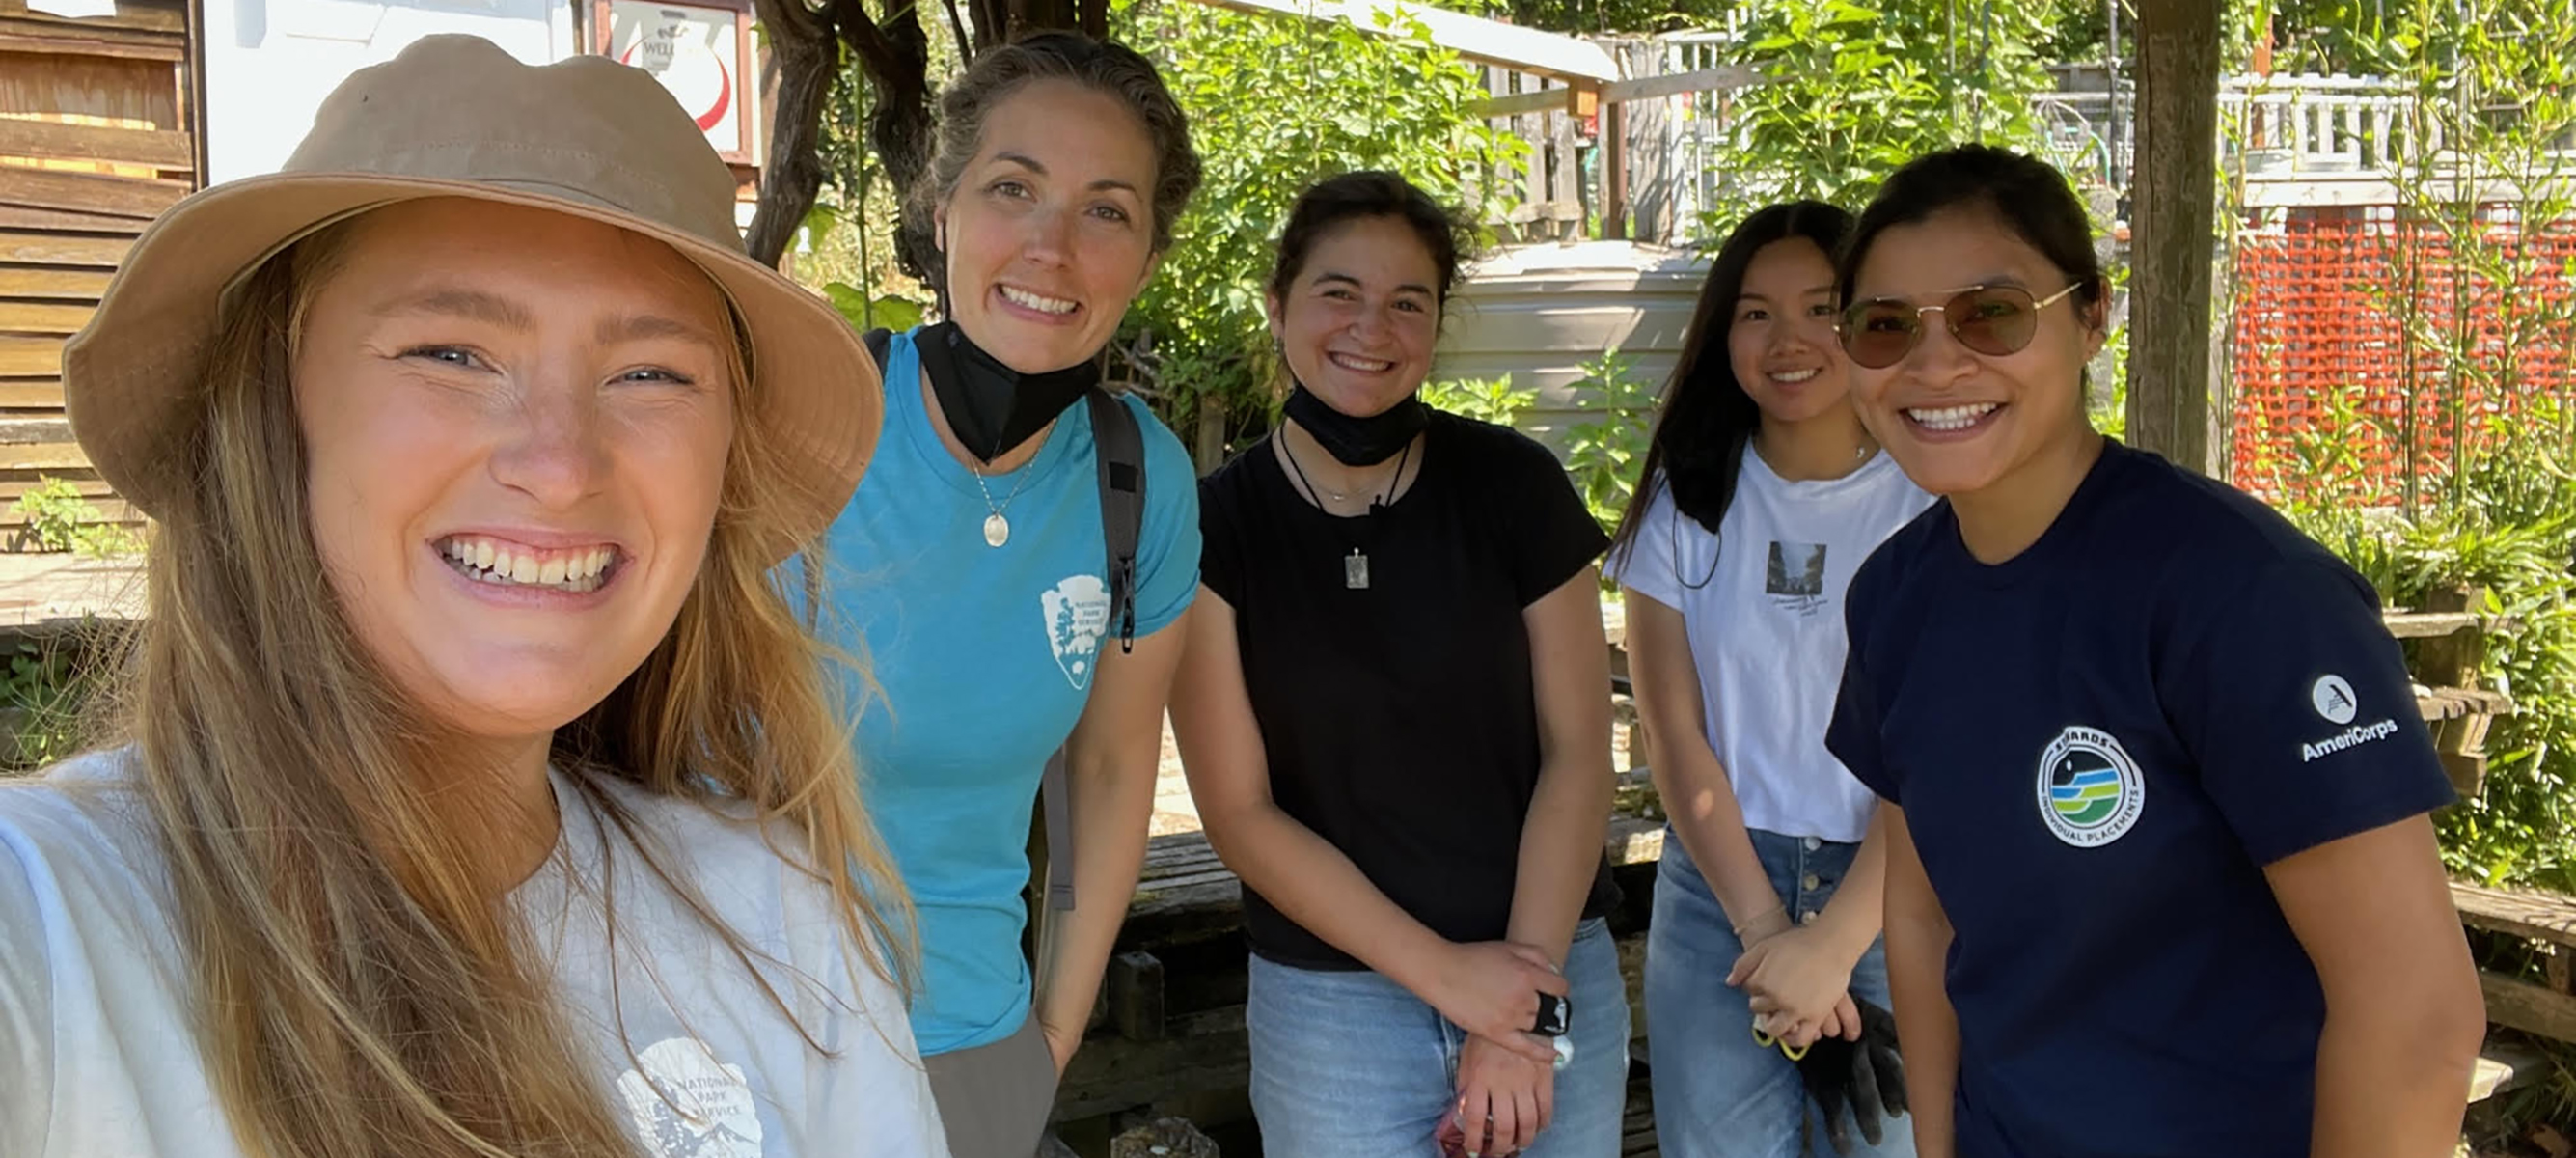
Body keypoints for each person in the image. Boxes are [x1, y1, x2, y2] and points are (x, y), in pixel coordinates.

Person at [0, 36, 944, 1158]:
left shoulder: (779, 919)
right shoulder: (53, 927)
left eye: (651, 373)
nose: (560, 462)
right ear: (271, 412)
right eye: (451, 352)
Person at [1823, 145, 2488, 1158]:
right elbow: (1923, 917)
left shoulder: (2240, 594)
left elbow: (2418, 1018)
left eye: (1990, 312)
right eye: (1884, 327)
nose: (1934, 364)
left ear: (2092, 317)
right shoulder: (1895, 598)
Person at [1169, 170, 1629, 1158]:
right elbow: (1239, 813)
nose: (1370, 328)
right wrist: (1449, 979)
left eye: (1406, 302)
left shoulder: (1515, 487)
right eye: (1340, 292)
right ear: (1279, 303)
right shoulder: (1211, 526)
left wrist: (1517, 1004)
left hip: (1545, 969)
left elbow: (1581, 756)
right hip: (1333, 1012)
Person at [801, 31, 1203, 1158]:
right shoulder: (809, 414)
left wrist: (1051, 1038)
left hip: (971, 1042)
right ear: (944, 213)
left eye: (1106, 211)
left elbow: (1116, 768)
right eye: (1012, 189)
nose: (1051, 246)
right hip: (733, 1022)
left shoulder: (1140, 478)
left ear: (1147, 255)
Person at [1603, 200, 1928, 1158]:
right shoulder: (1684, 500)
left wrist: (1831, 946)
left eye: (1822, 309)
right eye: (1755, 313)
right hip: (1720, 890)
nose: (1788, 341)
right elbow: (1674, 734)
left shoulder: (1929, 498)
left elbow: (1941, 748)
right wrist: (1767, 932)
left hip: (1897, 884)